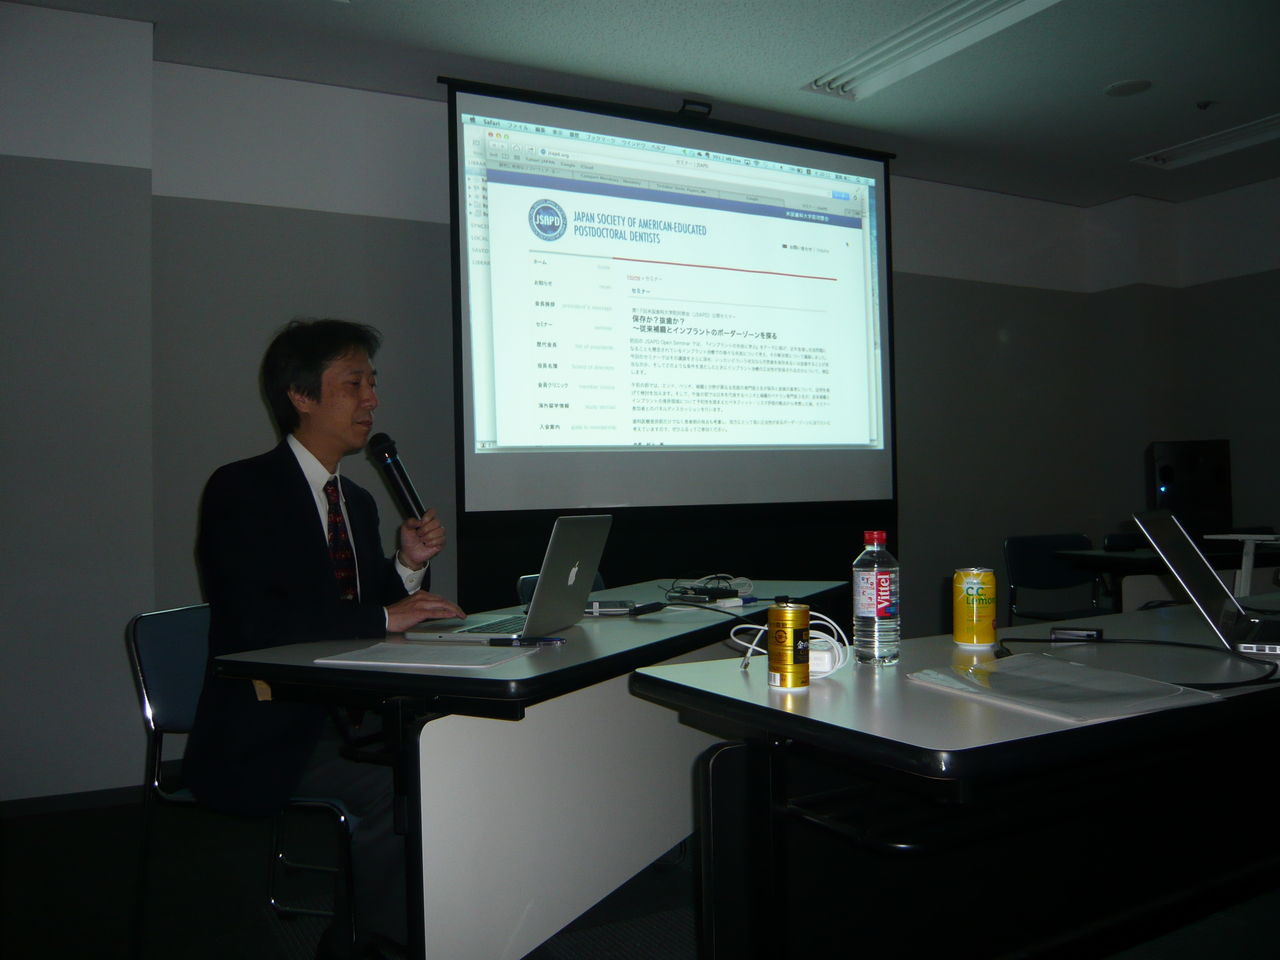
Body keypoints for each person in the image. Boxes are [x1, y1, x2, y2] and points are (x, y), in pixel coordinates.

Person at [184, 318, 462, 958]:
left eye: (373, 383)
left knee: (452, 754)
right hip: (268, 725)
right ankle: (376, 945)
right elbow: (255, 620)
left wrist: (407, 566)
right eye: (354, 384)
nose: (372, 399)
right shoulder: (241, 489)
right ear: (301, 396)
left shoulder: (356, 501)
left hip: (349, 711)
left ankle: (451, 926)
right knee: (398, 785)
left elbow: (359, 608)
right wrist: (382, 618)